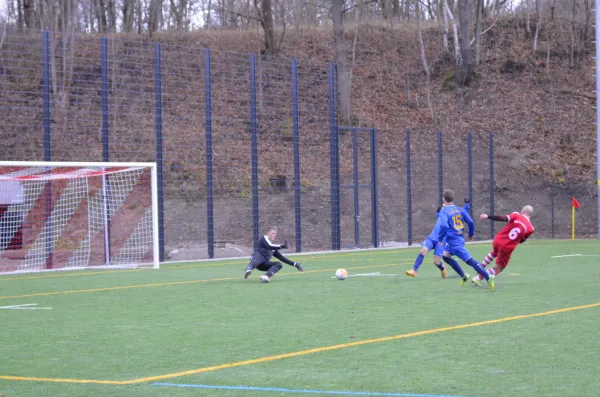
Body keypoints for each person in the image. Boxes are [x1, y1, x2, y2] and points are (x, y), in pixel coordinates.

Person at [431, 189, 495, 291]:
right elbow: (470, 221)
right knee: (446, 256)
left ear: (444, 199)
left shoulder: (444, 211)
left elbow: (444, 225)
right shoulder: (459, 209)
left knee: (470, 261)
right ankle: (464, 276)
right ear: (453, 198)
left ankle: (488, 276)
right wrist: (470, 233)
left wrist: (439, 238)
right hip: (457, 239)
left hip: (454, 242)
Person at [471, 206, 534, 286]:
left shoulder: (516, 215)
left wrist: (488, 216)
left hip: (498, 239)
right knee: (500, 267)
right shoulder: (531, 228)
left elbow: (503, 218)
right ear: (530, 215)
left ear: (523, 212)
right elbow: (521, 240)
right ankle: (477, 278)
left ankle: (480, 266)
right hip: (507, 246)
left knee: (494, 252)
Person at [405, 207, 448, 279]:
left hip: (440, 241)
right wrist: (440, 208)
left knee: (437, 262)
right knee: (423, 251)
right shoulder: (441, 214)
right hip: (432, 238)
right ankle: (414, 271)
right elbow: (437, 213)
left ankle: (442, 268)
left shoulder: (450, 217)